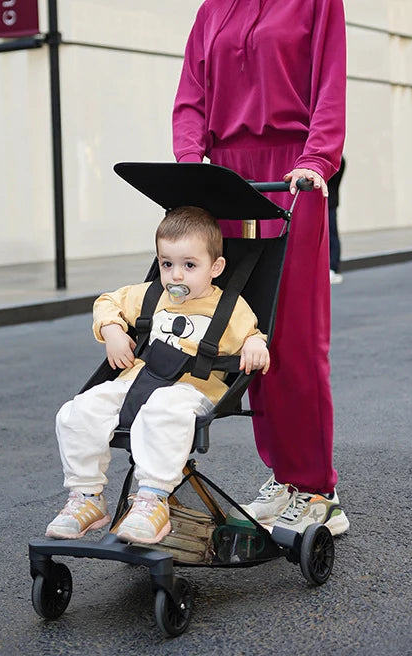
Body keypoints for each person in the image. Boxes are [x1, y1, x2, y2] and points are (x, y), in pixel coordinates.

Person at [172, 0, 349, 535]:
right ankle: (283, 476)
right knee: (246, 337)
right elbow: (190, 97)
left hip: (291, 179)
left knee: (296, 339)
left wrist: (315, 161)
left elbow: (329, 87)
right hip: (226, 182)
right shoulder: (213, 11)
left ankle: (318, 491)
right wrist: (191, 171)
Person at [45, 206, 270, 545]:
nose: (175, 276)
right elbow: (108, 301)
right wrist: (112, 330)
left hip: (191, 389)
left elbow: (252, 333)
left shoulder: (229, 307)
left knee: (163, 408)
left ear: (216, 268)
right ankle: (86, 497)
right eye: (167, 264)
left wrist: (254, 345)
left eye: (189, 265)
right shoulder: (151, 293)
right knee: (76, 412)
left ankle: (152, 499)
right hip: (139, 381)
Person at [328, 156, 346, 284]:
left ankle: (333, 268)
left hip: (330, 202)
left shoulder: (338, 160)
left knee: (332, 235)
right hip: (329, 201)